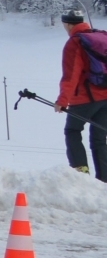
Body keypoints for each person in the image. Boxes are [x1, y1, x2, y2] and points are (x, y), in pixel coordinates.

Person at [55, 10, 107, 181]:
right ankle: (104, 179)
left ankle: (81, 174)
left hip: (85, 98)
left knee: (72, 130)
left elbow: (71, 75)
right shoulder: (101, 36)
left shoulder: (74, 43)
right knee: (99, 137)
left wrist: (62, 100)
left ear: (68, 24)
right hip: (106, 98)